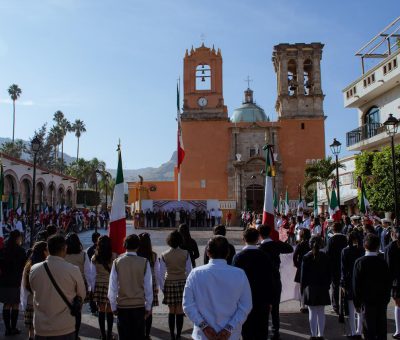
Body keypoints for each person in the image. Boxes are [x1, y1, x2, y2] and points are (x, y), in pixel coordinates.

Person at [183, 235, 252, 340]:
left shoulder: (195, 274)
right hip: (231, 336)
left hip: (203, 335)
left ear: (207, 252)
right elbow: (246, 306)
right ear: (228, 253)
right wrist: (229, 328)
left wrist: (204, 327)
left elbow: (188, 305)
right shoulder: (239, 274)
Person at [29, 234, 86, 340]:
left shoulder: (34, 269)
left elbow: (33, 289)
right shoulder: (73, 270)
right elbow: (81, 295)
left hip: (41, 326)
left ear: (47, 249)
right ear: (65, 248)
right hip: (64, 326)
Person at [107, 234, 153, 340]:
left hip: (123, 306)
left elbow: (112, 287)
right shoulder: (144, 262)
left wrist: (113, 306)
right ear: (138, 246)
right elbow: (148, 287)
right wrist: (148, 307)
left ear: (125, 245)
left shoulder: (117, 262)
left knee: (124, 336)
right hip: (139, 306)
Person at [232, 228, 274, 339]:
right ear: (257, 239)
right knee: (262, 330)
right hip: (262, 299)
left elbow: (234, 282)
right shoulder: (264, 256)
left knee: (246, 331)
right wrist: (270, 300)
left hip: (244, 301)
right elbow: (270, 279)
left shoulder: (238, 257)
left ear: (243, 239)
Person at [353, 233, 391, 340]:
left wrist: (357, 303)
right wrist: (386, 299)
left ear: (365, 246)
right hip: (381, 301)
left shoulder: (359, 262)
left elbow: (356, 285)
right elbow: (388, 283)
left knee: (369, 330)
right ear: (378, 246)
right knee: (381, 329)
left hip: (366, 301)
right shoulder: (383, 262)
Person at [258, 224, 293, 340]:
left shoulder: (259, 249)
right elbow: (290, 248)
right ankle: (275, 332)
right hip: (275, 280)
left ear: (260, 235)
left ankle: (264, 332)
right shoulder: (275, 245)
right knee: (275, 309)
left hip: (263, 282)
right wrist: (279, 242)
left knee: (263, 308)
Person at [159, 231, 192, 340]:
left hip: (169, 282)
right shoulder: (186, 253)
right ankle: (178, 335)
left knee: (171, 310)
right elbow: (189, 271)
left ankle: (172, 335)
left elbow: (161, 273)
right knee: (179, 310)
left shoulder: (164, 254)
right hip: (182, 282)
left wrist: (163, 288)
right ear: (180, 240)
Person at [301, 236, 331, 339]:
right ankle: (321, 335)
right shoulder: (325, 256)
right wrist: (327, 285)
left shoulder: (306, 257)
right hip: (322, 287)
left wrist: (302, 290)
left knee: (312, 312)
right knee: (321, 312)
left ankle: (313, 335)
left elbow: (303, 277)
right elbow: (329, 274)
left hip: (310, 288)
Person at [64, 232, 92, 337]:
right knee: (78, 309)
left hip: (65, 284)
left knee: (66, 307)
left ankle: (68, 332)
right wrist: (89, 288)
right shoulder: (83, 255)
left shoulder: (63, 255)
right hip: (79, 285)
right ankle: (76, 334)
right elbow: (88, 273)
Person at [0, 230, 27, 336]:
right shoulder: (20, 250)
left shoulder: (3, 250)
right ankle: (13, 327)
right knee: (15, 304)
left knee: (6, 304)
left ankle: (7, 329)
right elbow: (24, 266)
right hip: (16, 281)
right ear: (17, 238)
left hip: (4, 281)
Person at [21, 241, 48, 340]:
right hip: (44, 301)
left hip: (30, 300)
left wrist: (24, 303)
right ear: (44, 252)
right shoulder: (46, 266)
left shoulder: (28, 265)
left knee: (31, 331)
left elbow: (24, 285)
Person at [89, 235, 114, 340]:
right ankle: (109, 335)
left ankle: (103, 335)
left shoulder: (94, 258)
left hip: (99, 285)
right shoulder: (114, 257)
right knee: (110, 311)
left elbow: (92, 276)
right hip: (110, 286)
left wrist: (92, 290)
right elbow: (115, 275)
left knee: (101, 310)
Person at [340, 231, 365, 338]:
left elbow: (343, 269)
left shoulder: (345, 251)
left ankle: (353, 332)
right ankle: (359, 331)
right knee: (360, 309)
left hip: (349, 282)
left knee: (351, 309)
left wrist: (342, 284)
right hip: (361, 281)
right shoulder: (362, 250)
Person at [137, 232, 160, 340]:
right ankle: (147, 334)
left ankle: (140, 333)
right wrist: (157, 287)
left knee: (138, 308)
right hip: (151, 283)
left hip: (138, 283)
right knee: (149, 311)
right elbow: (157, 272)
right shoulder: (153, 255)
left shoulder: (136, 255)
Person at [326, 222, 347, 314]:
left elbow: (328, 253)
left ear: (333, 229)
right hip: (344, 266)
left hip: (334, 266)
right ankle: (345, 306)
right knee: (344, 287)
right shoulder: (345, 238)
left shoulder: (331, 240)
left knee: (335, 287)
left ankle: (336, 307)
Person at [385, 227, 400, 339]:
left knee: (398, 305)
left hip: (396, 280)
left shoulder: (390, 247)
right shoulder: (391, 247)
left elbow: (388, 267)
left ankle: (398, 330)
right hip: (396, 280)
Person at [293, 228, 311, 313]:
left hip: (301, 268)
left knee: (302, 287)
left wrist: (298, 265)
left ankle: (303, 305)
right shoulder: (311, 244)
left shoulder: (300, 244)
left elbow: (294, 256)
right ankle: (308, 304)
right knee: (309, 285)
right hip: (310, 267)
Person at [87, 232, 100, 315]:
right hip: (101, 274)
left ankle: (93, 308)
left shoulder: (89, 250)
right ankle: (100, 307)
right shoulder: (103, 248)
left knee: (91, 291)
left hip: (91, 273)